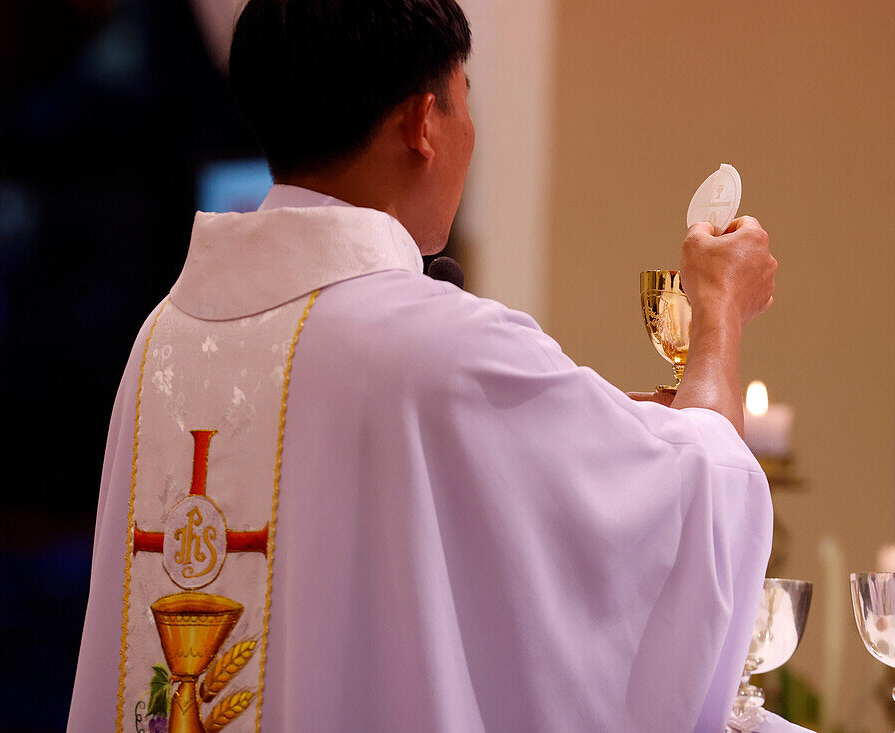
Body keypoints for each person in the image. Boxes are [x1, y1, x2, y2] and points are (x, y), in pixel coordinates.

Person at [67, 0, 802, 731]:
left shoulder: (162, 341)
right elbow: (699, 498)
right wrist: (719, 309)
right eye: (465, 102)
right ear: (424, 123)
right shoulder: (441, 347)